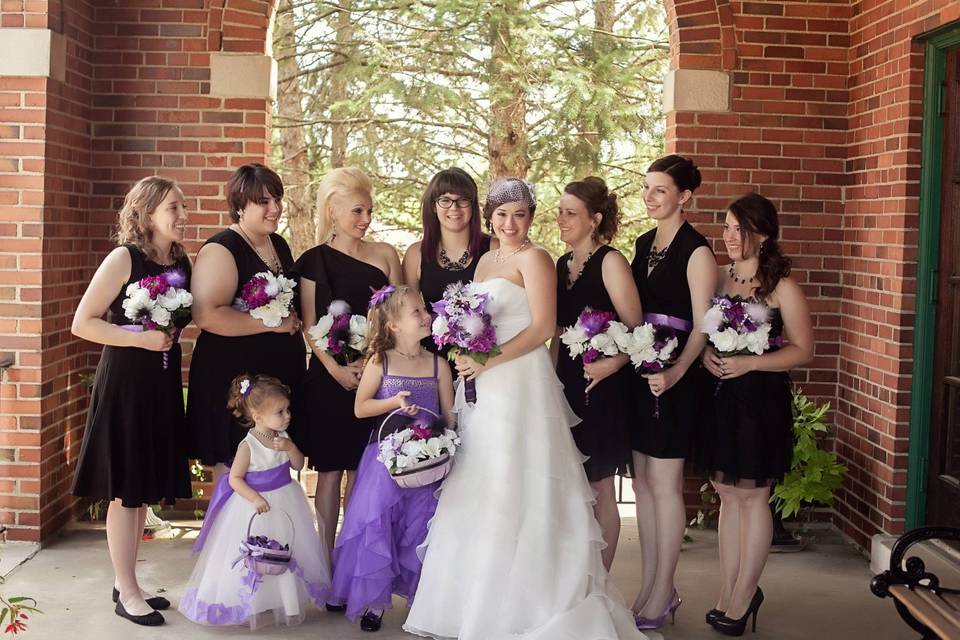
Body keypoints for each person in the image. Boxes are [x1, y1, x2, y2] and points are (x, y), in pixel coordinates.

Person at [403, 178, 646, 640]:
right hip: (483, 385)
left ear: (531, 218)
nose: (510, 223)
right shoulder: (485, 261)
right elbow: (472, 318)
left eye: (519, 214)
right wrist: (461, 348)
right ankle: (474, 602)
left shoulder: (536, 259)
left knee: (522, 479)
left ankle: (534, 602)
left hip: (520, 381)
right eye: (501, 215)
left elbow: (542, 328)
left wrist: (487, 359)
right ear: (489, 218)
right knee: (485, 481)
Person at [70, 176, 193, 626]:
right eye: (174, 208)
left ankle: (129, 581)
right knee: (126, 488)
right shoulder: (124, 258)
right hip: (125, 383)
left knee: (142, 488)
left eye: (184, 207)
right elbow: (83, 323)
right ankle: (126, 588)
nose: (183, 215)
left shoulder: (182, 261)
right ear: (146, 214)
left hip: (159, 384)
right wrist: (139, 339)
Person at [700, 193, 813, 636]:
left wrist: (750, 363)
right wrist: (708, 354)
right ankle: (728, 591)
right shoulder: (719, 279)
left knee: (753, 496)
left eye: (738, 229)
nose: (729, 237)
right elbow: (703, 331)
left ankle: (747, 593)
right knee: (726, 494)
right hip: (720, 397)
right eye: (726, 227)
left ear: (762, 234)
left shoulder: (782, 287)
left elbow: (804, 350)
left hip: (760, 402)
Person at [292, 167, 401, 570]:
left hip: (375, 378)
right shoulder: (311, 262)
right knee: (331, 471)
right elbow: (308, 324)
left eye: (369, 210)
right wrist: (336, 369)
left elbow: (399, 316)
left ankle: (355, 559)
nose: (365, 219)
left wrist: (372, 365)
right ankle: (325, 560)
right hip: (327, 379)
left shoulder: (386, 255)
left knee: (364, 471)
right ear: (332, 211)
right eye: (357, 210)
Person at [329, 285, 455, 632]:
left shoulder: (438, 364)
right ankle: (375, 602)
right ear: (394, 325)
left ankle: (421, 600)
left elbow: (450, 413)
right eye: (417, 312)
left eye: (425, 310)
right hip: (386, 463)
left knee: (421, 528)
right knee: (382, 527)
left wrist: (447, 442)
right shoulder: (380, 362)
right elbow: (361, 407)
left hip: (429, 463)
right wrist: (394, 403)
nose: (427, 315)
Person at [628, 154, 717, 629]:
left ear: (683, 196)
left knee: (664, 486)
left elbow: (705, 323)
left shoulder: (697, 251)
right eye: (646, 188)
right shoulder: (642, 245)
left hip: (676, 380)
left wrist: (679, 371)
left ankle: (664, 590)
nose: (650, 197)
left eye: (660, 189)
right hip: (642, 375)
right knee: (642, 485)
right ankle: (649, 585)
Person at [181, 375, 332, 629]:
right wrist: (254, 497)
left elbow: (298, 465)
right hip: (256, 507)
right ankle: (253, 602)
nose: (287, 416)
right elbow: (235, 479)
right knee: (257, 555)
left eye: (287, 410)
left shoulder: (282, 437)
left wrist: (290, 447)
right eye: (280, 412)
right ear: (258, 416)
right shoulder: (248, 446)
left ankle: (283, 600)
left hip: (286, 502)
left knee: (282, 551)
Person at [187, 163, 305, 476]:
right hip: (233, 377)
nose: (275, 209)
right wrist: (271, 324)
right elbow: (207, 315)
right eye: (264, 202)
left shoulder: (277, 244)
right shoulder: (222, 248)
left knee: (272, 467)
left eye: (277, 200)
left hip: (275, 377)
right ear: (240, 206)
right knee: (236, 469)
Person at [553, 176, 642, 571]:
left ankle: (600, 579)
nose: (561, 219)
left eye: (570, 213)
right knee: (572, 485)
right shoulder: (560, 264)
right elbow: (555, 331)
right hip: (567, 385)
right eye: (559, 212)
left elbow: (638, 330)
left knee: (600, 484)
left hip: (604, 387)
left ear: (594, 220)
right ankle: (577, 571)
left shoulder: (611, 261)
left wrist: (613, 363)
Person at [401, 167, 495, 360]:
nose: (454, 208)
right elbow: (405, 317)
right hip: (432, 360)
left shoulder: (495, 247)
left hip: (486, 358)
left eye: (462, 200)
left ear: (473, 205)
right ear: (433, 206)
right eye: (445, 200)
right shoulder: (415, 254)